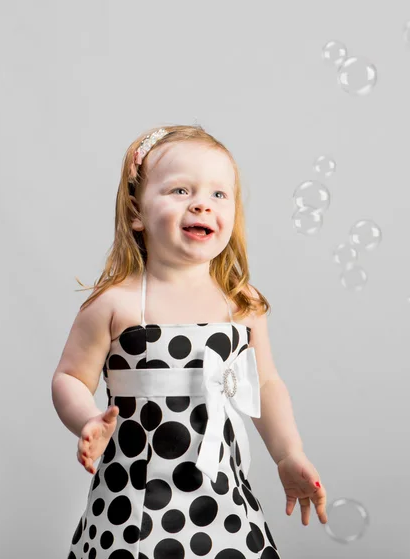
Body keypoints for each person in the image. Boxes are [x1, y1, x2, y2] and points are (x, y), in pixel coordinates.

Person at [52, 124, 328, 557]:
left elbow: (267, 385)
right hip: (135, 492)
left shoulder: (240, 303)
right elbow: (69, 376)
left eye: (220, 194)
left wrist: (288, 453)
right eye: (180, 190)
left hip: (218, 491)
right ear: (136, 212)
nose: (202, 203)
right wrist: (87, 421)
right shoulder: (115, 304)